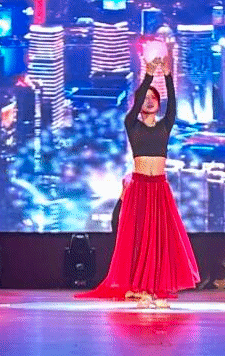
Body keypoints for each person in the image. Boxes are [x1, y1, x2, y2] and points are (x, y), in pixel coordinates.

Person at [78, 55, 199, 308]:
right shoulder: (132, 125)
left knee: (160, 239)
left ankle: (158, 289)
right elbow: (137, 98)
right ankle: (142, 289)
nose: (150, 101)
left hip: (160, 188)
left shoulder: (165, 126)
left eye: (154, 98)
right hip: (140, 187)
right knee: (141, 240)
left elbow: (173, 103)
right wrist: (149, 74)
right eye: (146, 99)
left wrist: (167, 75)